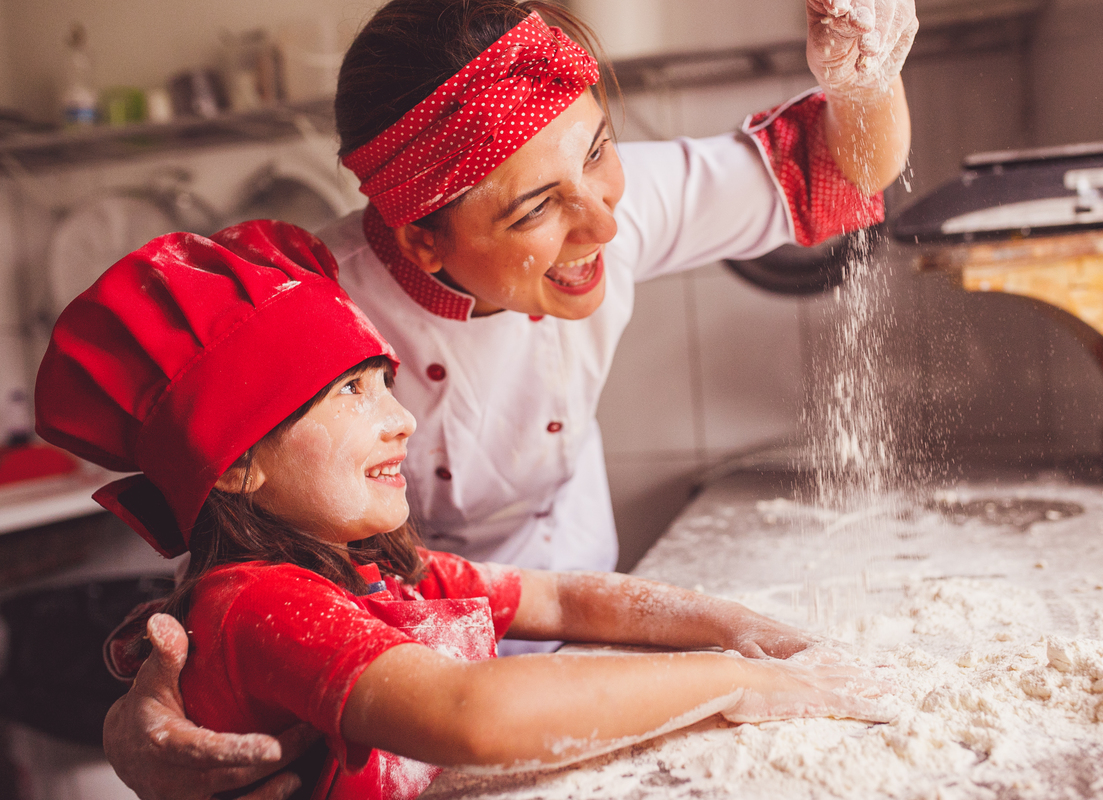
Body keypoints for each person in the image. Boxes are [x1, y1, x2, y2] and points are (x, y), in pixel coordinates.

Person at [102, 0, 918, 796]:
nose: (602, 224)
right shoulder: (317, 312)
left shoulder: (603, 206)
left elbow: (844, 167)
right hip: (390, 687)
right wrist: (142, 710)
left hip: (583, 625)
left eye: (599, 152)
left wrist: (867, 76)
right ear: (421, 237)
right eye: (536, 210)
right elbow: (235, 537)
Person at [36, 220, 888, 800]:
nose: (401, 419)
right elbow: (469, 715)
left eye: (384, 386)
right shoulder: (263, 604)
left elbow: (563, 598)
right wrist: (742, 684)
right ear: (239, 467)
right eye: (349, 396)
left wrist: (761, 636)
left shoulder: (365, 566)